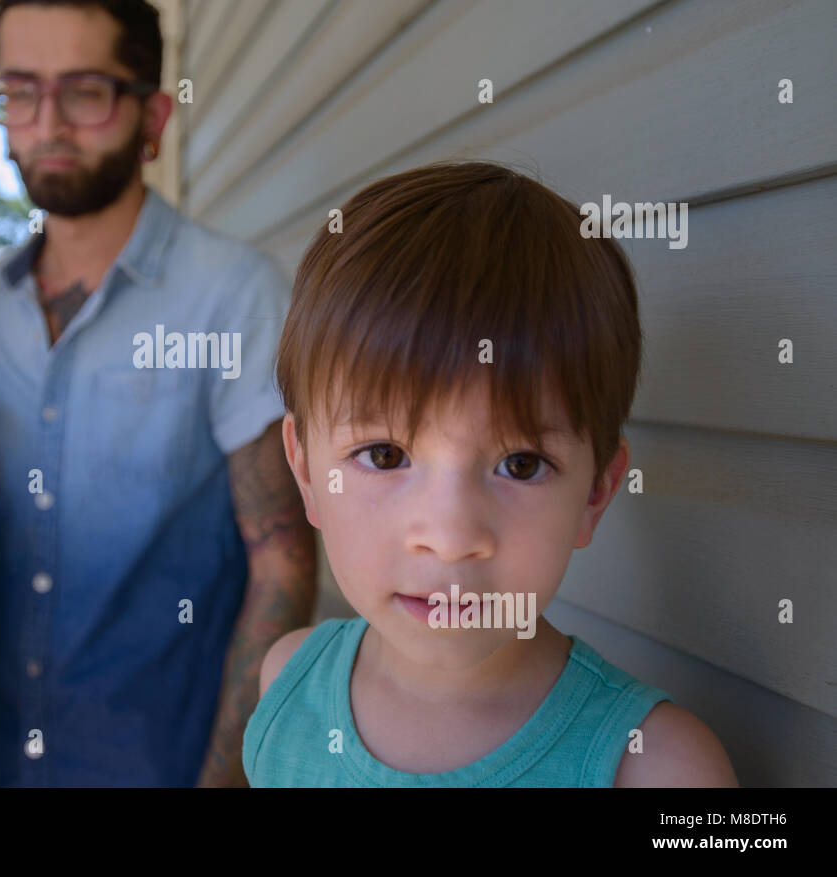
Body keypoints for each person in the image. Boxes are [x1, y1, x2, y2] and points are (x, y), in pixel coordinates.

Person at [243, 162, 738, 786]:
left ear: (596, 492)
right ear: (306, 472)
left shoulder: (656, 768)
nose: (450, 538)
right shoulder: (287, 683)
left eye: (521, 464)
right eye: (385, 455)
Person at [0, 0, 318, 786]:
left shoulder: (234, 293)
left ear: (151, 116)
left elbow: (283, 563)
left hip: (159, 761)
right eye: (19, 91)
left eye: (84, 91)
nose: (48, 123)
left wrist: (227, 776)